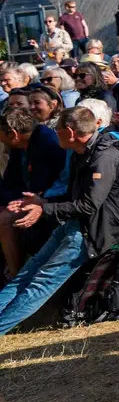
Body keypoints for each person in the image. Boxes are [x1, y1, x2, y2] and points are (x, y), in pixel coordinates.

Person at [0, 106, 119, 335]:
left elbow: (89, 205)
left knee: (41, 282)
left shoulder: (103, 158)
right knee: (28, 272)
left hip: (102, 228)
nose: (51, 132)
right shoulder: (81, 152)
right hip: (81, 223)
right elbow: (74, 196)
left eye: (56, 129)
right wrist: (41, 201)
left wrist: (44, 210)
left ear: (69, 132)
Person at [0, 106, 68, 279]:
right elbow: (11, 180)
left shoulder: (47, 143)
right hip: (28, 194)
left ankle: (17, 276)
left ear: (13, 134)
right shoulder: (19, 145)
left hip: (50, 199)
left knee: (5, 219)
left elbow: (43, 187)